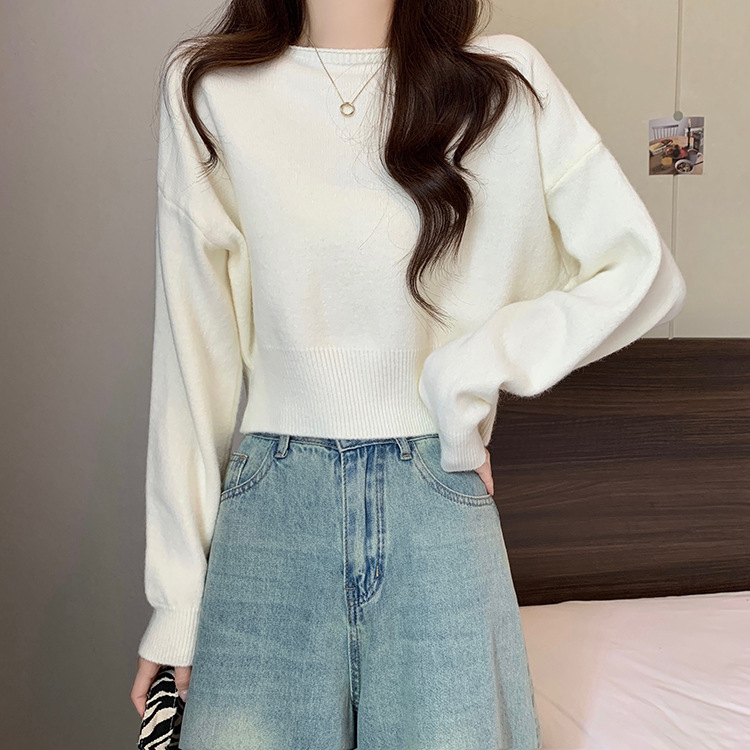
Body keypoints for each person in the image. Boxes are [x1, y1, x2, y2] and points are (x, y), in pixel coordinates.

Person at [129, 1, 687, 748]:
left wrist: (467, 376)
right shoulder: (209, 87)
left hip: (437, 500)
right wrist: (176, 603)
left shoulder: (503, 84)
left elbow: (641, 270)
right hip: (271, 515)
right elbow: (191, 358)